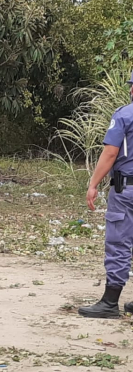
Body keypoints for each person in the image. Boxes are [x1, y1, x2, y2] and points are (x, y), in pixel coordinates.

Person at [79, 71, 133, 318]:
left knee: (118, 243)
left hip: (127, 190)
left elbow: (110, 153)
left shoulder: (124, 115)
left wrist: (93, 183)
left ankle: (110, 302)